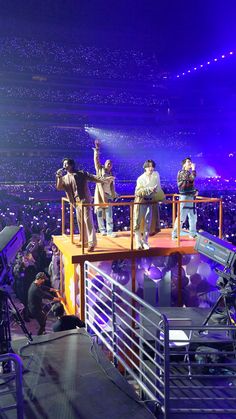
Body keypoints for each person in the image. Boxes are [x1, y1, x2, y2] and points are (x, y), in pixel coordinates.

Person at [56, 158, 113, 252]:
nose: (64, 166)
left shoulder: (81, 173)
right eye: (64, 164)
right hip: (76, 203)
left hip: (85, 201)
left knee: (88, 222)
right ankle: (84, 241)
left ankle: (92, 243)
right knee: (80, 222)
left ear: (71, 165)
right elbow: (59, 187)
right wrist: (58, 177)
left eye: (66, 164)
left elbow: (94, 177)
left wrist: (105, 179)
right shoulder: (64, 178)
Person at [134, 160, 162, 250]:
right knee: (137, 222)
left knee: (147, 223)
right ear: (145, 167)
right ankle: (138, 242)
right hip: (141, 201)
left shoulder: (155, 175)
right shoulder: (140, 178)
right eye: (149, 166)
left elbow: (159, 187)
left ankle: (145, 241)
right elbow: (137, 192)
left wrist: (159, 196)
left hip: (151, 202)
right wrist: (149, 190)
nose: (151, 168)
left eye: (152, 166)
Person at [93, 139, 117, 237]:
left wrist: (115, 194)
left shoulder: (112, 174)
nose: (109, 165)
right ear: (105, 164)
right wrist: (97, 150)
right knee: (99, 213)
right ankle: (102, 230)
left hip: (108, 196)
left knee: (109, 214)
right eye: (108, 163)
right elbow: (96, 160)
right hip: (100, 195)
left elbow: (112, 187)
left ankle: (110, 231)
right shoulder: (100, 169)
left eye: (111, 164)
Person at [172, 157, 198, 239]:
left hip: (191, 197)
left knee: (193, 216)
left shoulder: (188, 173)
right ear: (184, 164)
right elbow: (191, 179)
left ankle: (192, 233)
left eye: (190, 162)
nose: (190, 163)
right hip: (185, 197)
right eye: (188, 162)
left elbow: (190, 184)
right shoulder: (182, 172)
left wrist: (194, 191)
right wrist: (194, 169)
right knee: (181, 217)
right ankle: (175, 234)